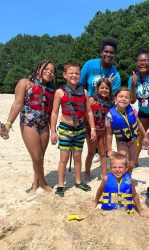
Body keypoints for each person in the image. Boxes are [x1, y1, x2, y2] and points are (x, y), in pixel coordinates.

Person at [3, 60, 57, 193]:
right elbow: (17, 104)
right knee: (37, 156)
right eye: (46, 69)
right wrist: (8, 125)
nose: (49, 72)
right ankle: (43, 182)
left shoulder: (52, 90)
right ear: (38, 68)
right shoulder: (25, 83)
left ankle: (35, 183)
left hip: (44, 125)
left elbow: (51, 112)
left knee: (39, 157)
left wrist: (52, 130)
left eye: (52, 71)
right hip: (29, 123)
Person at [50, 63, 96, 196]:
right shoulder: (60, 92)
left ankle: (77, 181)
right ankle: (60, 184)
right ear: (65, 75)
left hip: (80, 130)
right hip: (65, 129)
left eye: (77, 73)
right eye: (71, 73)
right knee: (63, 158)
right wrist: (53, 131)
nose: (74, 75)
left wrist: (92, 128)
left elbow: (89, 112)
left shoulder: (85, 92)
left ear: (80, 76)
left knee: (77, 157)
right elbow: (54, 112)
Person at [80, 38, 121, 163]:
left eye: (111, 52)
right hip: (89, 105)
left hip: (103, 109)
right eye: (106, 51)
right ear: (101, 52)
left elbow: (111, 98)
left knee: (103, 132)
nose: (108, 54)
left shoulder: (116, 75)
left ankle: (103, 151)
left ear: (114, 55)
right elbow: (81, 85)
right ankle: (94, 153)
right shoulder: (90, 65)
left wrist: (107, 83)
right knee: (90, 134)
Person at [89, 153, 149, 217]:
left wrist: (140, 210)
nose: (117, 170)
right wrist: (95, 201)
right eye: (114, 167)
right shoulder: (106, 178)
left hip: (125, 212)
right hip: (108, 211)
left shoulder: (129, 180)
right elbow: (100, 190)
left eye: (120, 167)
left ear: (126, 169)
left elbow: (134, 195)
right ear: (110, 168)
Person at [106, 87, 149, 172]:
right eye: (121, 96)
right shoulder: (109, 115)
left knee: (132, 162)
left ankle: (128, 178)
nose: (123, 99)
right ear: (115, 98)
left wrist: (145, 136)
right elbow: (109, 134)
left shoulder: (132, 109)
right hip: (121, 142)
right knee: (123, 161)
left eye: (126, 97)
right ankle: (119, 178)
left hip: (133, 140)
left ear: (130, 100)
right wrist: (109, 149)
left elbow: (139, 123)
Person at [85, 78, 113, 179]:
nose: (104, 90)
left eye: (106, 88)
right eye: (102, 88)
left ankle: (104, 173)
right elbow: (85, 114)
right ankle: (87, 172)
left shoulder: (110, 102)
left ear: (110, 90)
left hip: (103, 130)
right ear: (97, 88)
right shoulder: (92, 99)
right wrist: (86, 130)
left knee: (102, 152)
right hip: (91, 131)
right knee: (91, 152)